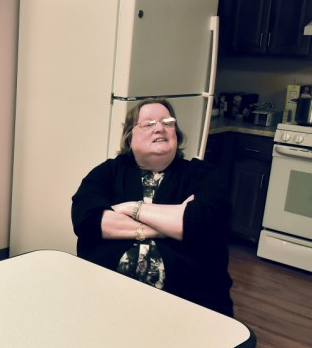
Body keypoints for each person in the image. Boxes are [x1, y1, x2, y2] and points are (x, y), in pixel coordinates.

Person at [71, 98, 234, 316]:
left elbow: (203, 222)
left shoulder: (200, 174)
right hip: (104, 299)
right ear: (130, 137)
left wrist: (131, 208)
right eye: (148, 124)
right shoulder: (108, 172)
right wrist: (172, 224)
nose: (160, 127)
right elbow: (87, 221)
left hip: (188, 305)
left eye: (168, 122)